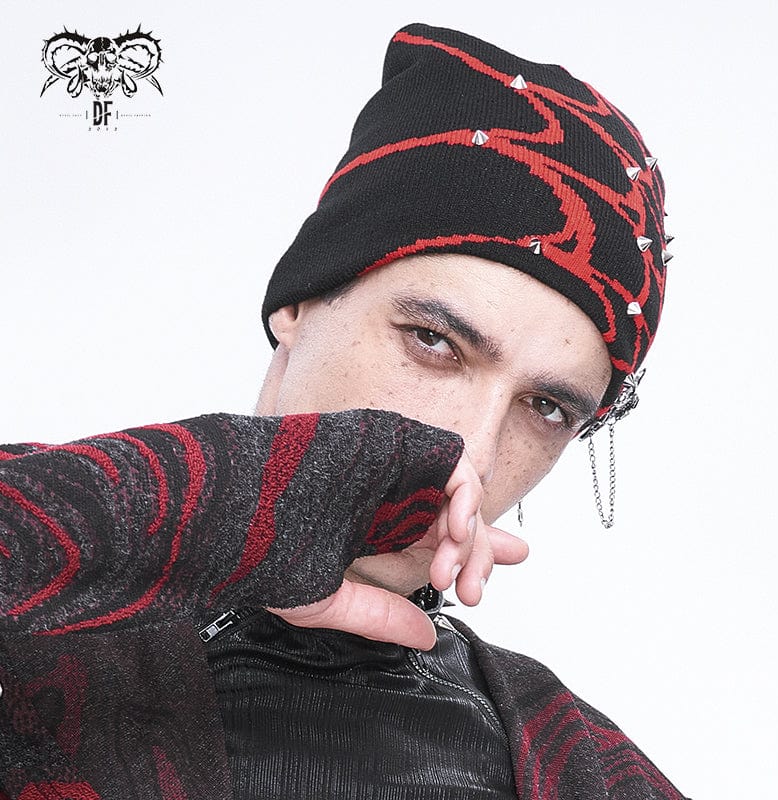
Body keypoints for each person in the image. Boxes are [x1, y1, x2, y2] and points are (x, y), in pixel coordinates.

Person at [0, 23, 685, 800]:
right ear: (301, 301)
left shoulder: (581, 766)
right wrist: (213, 506)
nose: (475, 451)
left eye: (547, 407)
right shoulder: (41, 608)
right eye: (433, 340)